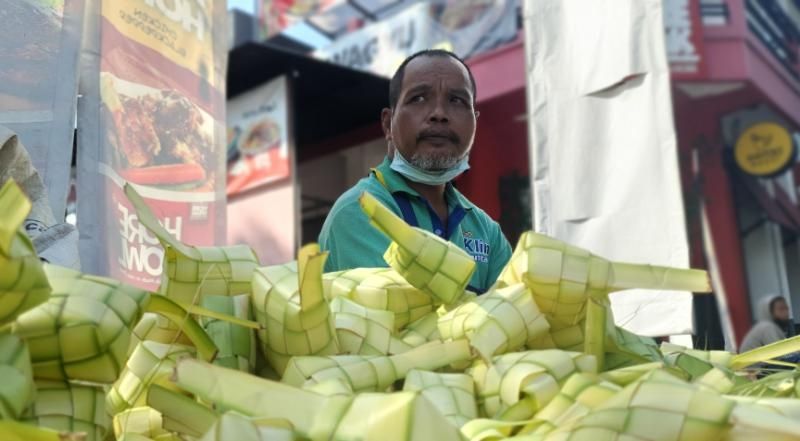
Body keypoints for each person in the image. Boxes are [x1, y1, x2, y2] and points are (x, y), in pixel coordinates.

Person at [318, 49, 512, 293]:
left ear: (475, 122)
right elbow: (399, 323)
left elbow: (518, 315)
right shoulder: (359, 211)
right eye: (419, 98)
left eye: (456, 100)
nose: (439, 114)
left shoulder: (486, 230)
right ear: (388, 124)